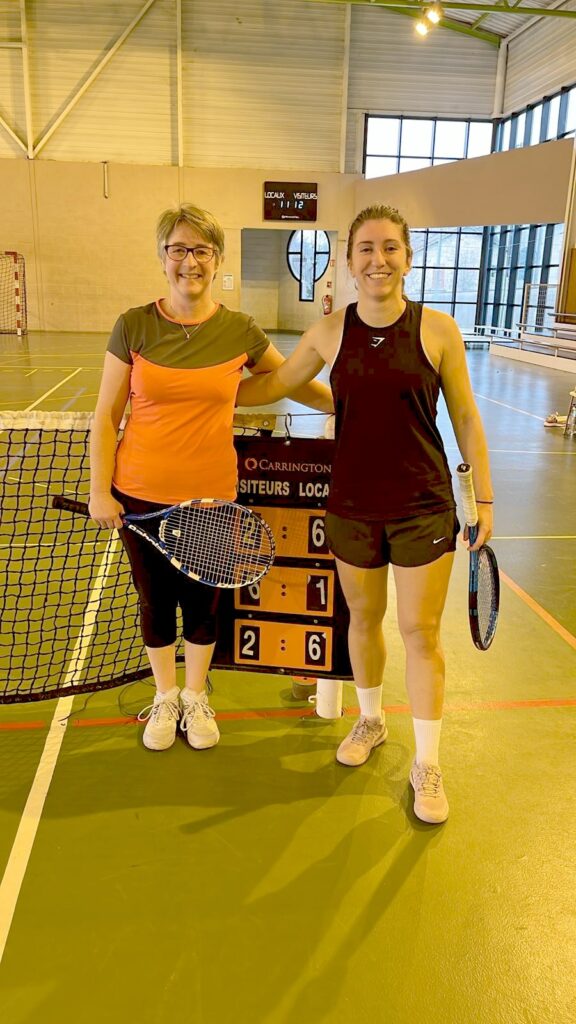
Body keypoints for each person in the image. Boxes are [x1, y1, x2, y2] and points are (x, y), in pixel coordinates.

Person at [236, 203, 494, 824]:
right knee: (363, 620)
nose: (378, 260)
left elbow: (464, 417)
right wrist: (200, 394)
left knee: (420, 632)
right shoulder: (328, 332)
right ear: (348, 262)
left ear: (408, 258)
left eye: (390, 248)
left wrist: (482, 497)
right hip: (351, 506)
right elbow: (277, 385)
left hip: (423, 505)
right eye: (366, 249)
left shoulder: (438, 331)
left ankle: (427, 763)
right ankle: (371, 720)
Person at [89, 203, 333, 752]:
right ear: (162, 257)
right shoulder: (133, 325)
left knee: (203, 604)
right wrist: (99, 489)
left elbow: (289, 379)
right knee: (155, 603)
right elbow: (106, 416)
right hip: (139, 497)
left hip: (211, 499)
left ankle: (196, 696)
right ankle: (165, 696)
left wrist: (347, 404)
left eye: (201, 250)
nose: (190, 261)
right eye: (178, 249)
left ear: (217, 258)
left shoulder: (239, 329)